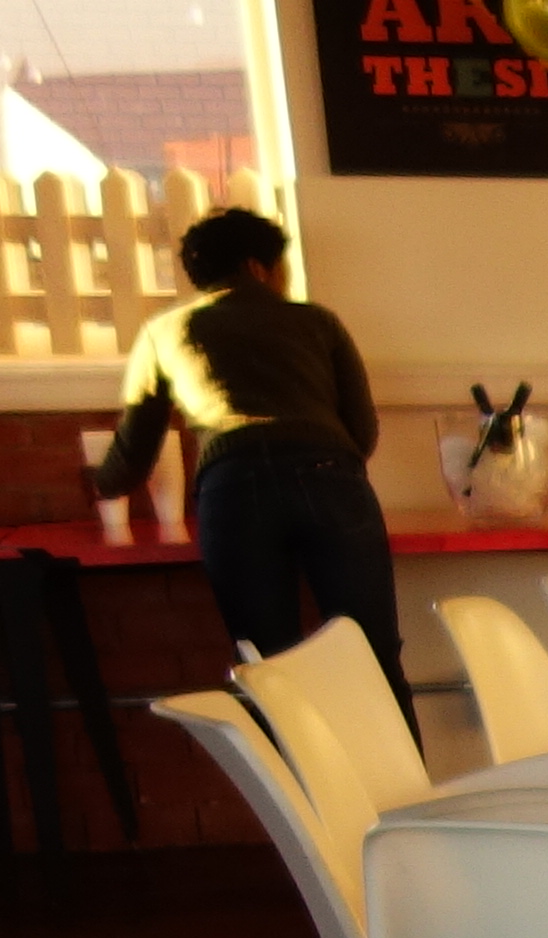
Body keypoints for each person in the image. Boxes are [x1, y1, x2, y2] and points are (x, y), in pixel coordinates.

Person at [95, 207, 389, 661]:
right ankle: (388, 733)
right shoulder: (318, 322)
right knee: (373, 653)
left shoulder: (163, 332)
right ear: (258, 266)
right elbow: (362, 431)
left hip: (233, 489)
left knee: (268, 666)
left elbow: (135, 447)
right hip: (330, 476)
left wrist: (102, 485)